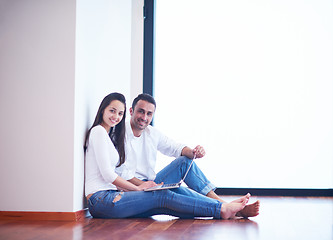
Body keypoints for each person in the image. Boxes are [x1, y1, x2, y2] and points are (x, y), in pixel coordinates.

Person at [84, 92, 250, 219]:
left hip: (137, 187)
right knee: (167, 196)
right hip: (123, 189)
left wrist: (193, 152)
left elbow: (174, 147)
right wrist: (139, 187)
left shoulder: (149, 133)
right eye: (140, 112)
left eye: (149, 114)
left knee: (183, 165)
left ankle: (222, 205)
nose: (144, 117)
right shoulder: (114, 134)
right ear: (132, 111)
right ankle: (223, 209)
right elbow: (113, 173)